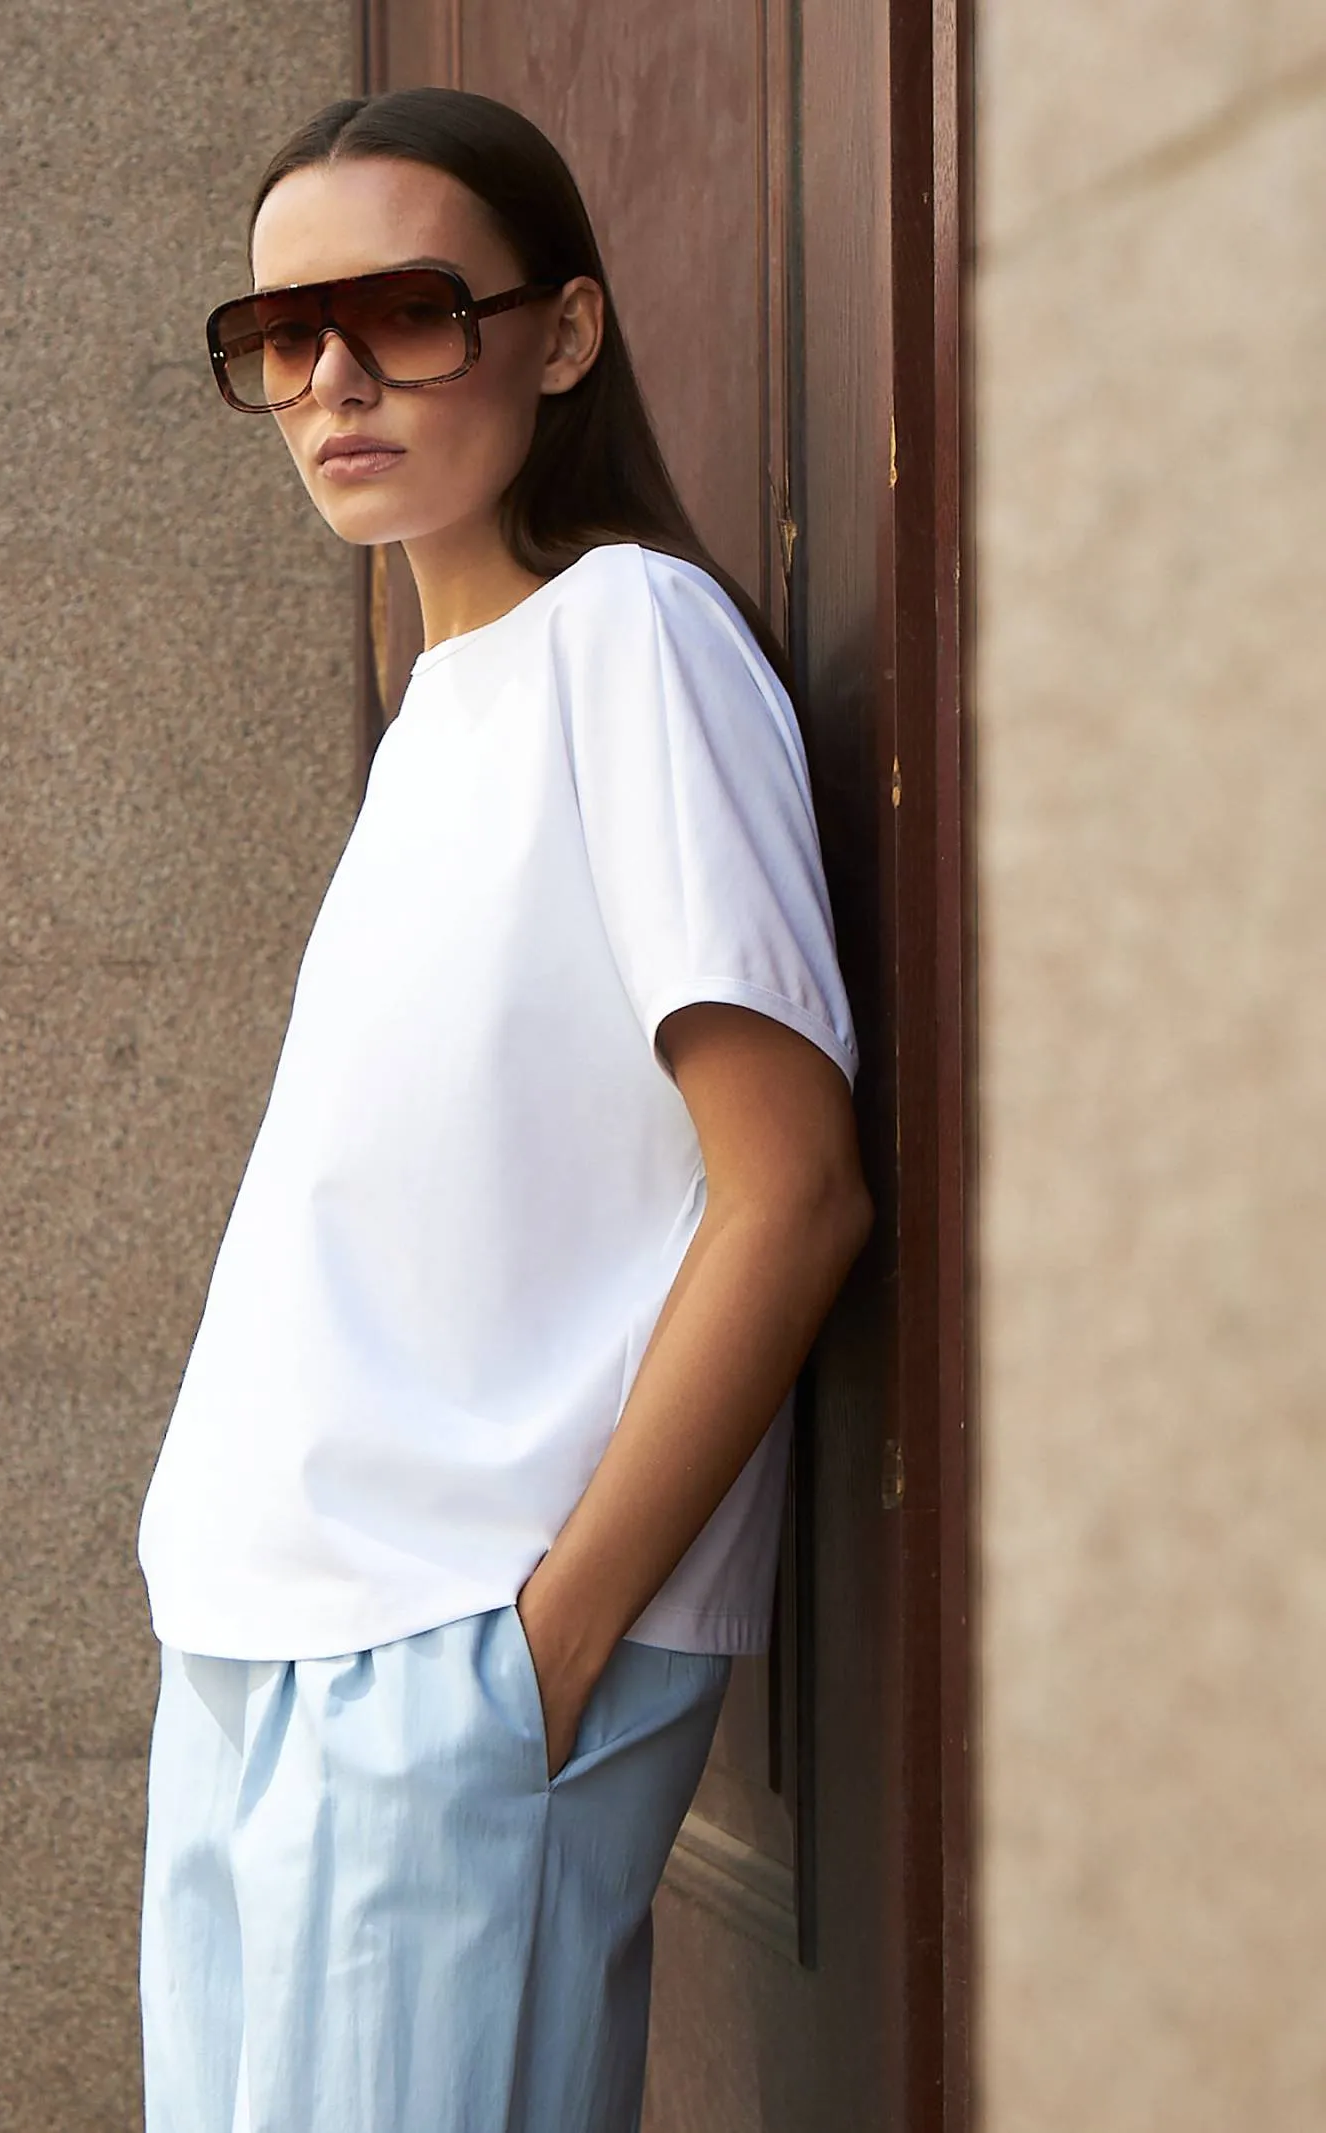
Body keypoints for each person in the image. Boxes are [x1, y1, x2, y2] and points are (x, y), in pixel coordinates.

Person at [135, 83, 872, 2133]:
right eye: (283, 336)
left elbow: (792, 1192)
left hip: (447, 1656)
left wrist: (541, 1656)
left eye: (405, 312)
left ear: (562, 332)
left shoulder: (630, 639)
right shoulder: (438, 714)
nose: (335, 381)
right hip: (259, 1637)